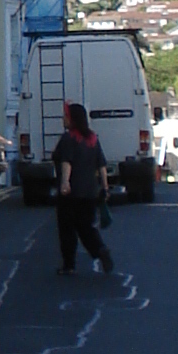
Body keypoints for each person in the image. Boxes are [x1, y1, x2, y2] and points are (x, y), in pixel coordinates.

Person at [54, 101, 114, 277]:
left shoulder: (68, 138)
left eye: (65, 116)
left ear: (72, 119)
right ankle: (100, 250)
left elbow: (66, 162)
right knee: (86, 227)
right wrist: (105, 187)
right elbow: (101, 165)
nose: (63, 119)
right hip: (89, 191)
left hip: (71, 193)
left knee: (67, 230)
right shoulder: (93, 139)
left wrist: (65, 182)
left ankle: (69, 265)